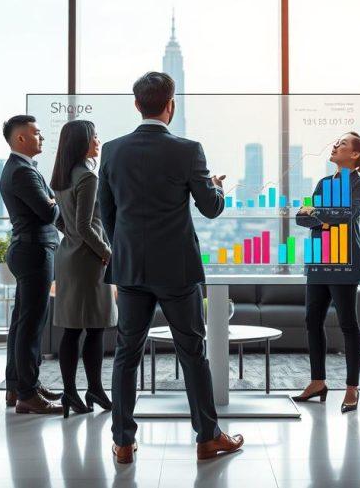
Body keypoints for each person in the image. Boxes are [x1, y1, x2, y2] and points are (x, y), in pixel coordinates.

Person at [101, 71, 244, 464]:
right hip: (177, 269)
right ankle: (207, 438)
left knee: (126, 354)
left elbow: (106, 212)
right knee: (192, 352)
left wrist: (125, 249)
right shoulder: (188, 150)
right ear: (171, 105)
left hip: (130, 268)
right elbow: (211, 208)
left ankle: (123, 443)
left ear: (136, 105)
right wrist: (213, 185)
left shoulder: (112, 151)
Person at [292, 132, 360, 413]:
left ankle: (352, 388)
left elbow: (348, 214)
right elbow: (301, 217)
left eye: (343, 143)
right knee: (312, 320)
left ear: (355, 155)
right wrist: (322, 215)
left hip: (343, 261)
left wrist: (317, 212)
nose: (335, 144)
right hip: (319, 260)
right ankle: (317, 382)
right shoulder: (324, 183)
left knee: (348, 324)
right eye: (336, 141)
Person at [49, 119, 116, 418]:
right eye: (94, 136)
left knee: (73, 329)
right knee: (95, 328)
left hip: (69, 257)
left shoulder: (63, 177)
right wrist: (107, 254)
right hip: (89, 260)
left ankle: (71, 394)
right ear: (82, 142)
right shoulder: (88, 177)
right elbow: (86, 225)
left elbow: (61, 221)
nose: (98, 140)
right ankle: (94, 389)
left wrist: (74, 240)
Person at [0, 114, 63, 415]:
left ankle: (19, 385)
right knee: (31, 324)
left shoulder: (21, 168)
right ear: (21, 138)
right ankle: (27, 393)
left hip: (29, 248)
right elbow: (48, 213)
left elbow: (47, 206)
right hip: (34, 249)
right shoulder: (22, 171)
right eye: (37, 134)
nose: (42, 138)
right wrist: (54, 201)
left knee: (22, 322)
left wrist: (50, 201)